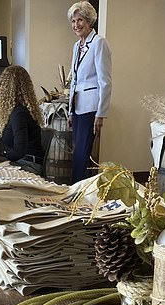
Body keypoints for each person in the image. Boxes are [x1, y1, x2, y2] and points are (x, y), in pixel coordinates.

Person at [67, 1, 112, 182]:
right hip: (77, 106)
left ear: (89, 21)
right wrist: (70, 110)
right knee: (78, 153)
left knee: (82, 153)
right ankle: (80, 191)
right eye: (73, 21)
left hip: (91, 107)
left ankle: (78, 192)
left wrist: (101, 113)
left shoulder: (99, 43)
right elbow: (74, 80)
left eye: (80, 20)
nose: (76, 25)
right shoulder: (76, 46)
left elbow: (105, 81)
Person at [0, 65, 45, 175]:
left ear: (5, 88)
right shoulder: (21, 111)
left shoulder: (19, 114)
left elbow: (19, 150)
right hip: (27, 162)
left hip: (29, 165)